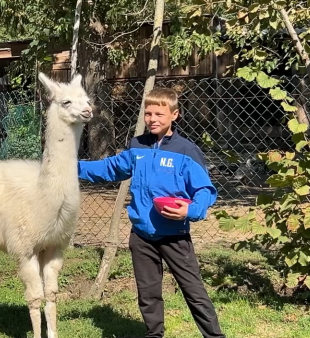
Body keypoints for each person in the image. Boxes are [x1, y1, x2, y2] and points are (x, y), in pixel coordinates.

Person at [77, 88, 225, 338]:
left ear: (174, 115)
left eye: (159, 113)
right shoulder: (137, 146)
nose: (153, 118)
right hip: (142, 236)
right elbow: (111, 168)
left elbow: (205, 190)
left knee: (194, 292)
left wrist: (191, 209)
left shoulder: (186, 151)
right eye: (148, 113)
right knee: (148, 294)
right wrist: (69, 166)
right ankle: (154, 334)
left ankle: (214, 336)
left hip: (175, 236)